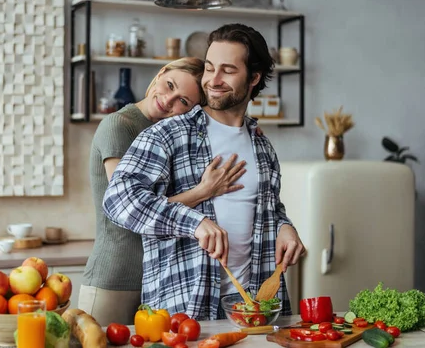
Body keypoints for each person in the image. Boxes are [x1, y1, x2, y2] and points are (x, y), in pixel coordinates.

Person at [102, 24, 306, 321]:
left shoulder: (262, 147)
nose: (213, 80)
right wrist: (194, 222)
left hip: (253, 311)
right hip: (185, 313)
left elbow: (269, 210)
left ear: (254, 78)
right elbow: (119, 200)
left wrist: (284, 227)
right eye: (210, 68)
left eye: (228, 70)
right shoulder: (168, 135)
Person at [79, 57, 251, 326]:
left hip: (158, 281)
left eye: (183, 101)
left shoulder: (173, 133)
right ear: (161, 73)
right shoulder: (119, 125)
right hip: (115, 277)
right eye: (169, 85)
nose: (168, 100)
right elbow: (127, 209)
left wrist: (246, 129)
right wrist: (202, 191)